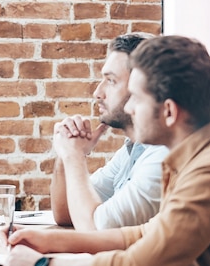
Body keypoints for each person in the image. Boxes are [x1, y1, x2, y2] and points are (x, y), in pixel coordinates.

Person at [6, 35, 210, 266]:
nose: (129, 107)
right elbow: (146, 233)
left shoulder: (204, 173)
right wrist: (51, 241)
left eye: (138, 98)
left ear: (170, 111)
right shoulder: (189, 159)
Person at [50, 33, 168, 231]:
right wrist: (66, 153)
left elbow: (94, 230)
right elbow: (66, 213)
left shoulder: (162, 155)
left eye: (111, 81)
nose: (98, 93)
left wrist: (74, 155)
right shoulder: (133, 150)